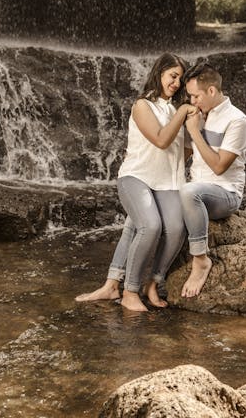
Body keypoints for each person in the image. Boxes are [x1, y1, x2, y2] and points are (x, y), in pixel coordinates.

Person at [75, 53, 196, 312]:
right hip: (136, 177)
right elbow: (161, 139)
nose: (176, 83)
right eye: (172, 76)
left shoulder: (176, 110)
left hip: (168, 183)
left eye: (180, 79)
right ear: (159, 72)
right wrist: (185, 111)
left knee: (175, 229)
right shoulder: (143, 105)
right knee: (150, 226)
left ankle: (150, 283)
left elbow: (186, 150)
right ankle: (129, 291)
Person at [179, 62, 246, 298]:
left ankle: (201, 259)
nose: (192, 102)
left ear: (211, 91)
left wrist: (193, 131)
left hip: (225, 194)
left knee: (190, 192)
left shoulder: (236, 120)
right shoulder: (200, 116)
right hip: (195, 190)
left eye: (195, 96)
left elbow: (219, 166)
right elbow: (184, 155)